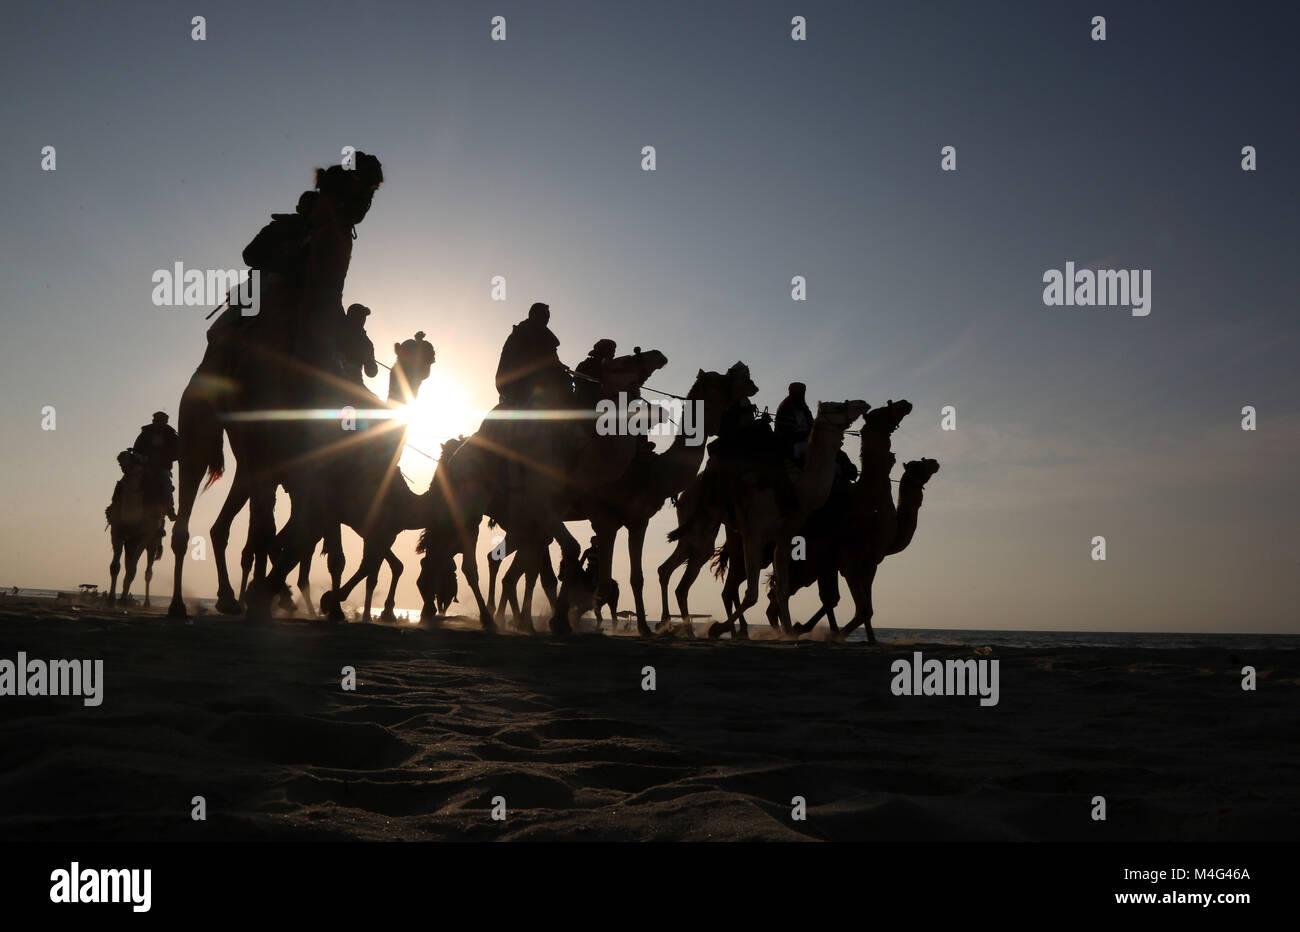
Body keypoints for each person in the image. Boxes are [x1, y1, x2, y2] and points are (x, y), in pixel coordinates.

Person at [494, 302, 568, 407]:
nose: (546, 319)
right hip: (517, 380)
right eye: (544, 315)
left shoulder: (545, 338)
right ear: (533, 314)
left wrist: (560, 366)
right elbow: (537, 357)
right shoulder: (523, 332)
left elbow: (551, 358)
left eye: (547, 317)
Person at [130, 412, 180, 520]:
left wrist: (167, 457)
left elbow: (179, 451)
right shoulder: (145, 434)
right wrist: (139, 457)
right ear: (154, 421)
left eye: (161, 421)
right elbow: (136, 449)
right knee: (129, 483)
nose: (158, 423)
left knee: (166, 483)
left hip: (162, 468)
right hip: (144, 467)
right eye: (157, 420)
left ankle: (169, 509)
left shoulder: (171, 435)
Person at [338, 303, 379, 385]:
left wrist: (370, 363)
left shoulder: (367, 343)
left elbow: (371, 373)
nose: (363, 319)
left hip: (354, 379)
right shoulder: (339, 325)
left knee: (371, 398)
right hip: (333, 371)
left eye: (363, 317)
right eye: (361, 316)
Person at [775, 382, 813, 464]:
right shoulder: (785, 408)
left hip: (807, 440)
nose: (801, 395)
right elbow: (785, 432)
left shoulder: (805, 409)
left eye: (802, 393)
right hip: (790, 444)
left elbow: (812, 426)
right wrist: (805, 435)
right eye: (798, 392)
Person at [573, 339, 616, 408]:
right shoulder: (586, 364)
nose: (613, 354)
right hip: (588, 403)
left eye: (613, 351)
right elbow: (578, 381)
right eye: (611, 350)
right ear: (602, 350)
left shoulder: (611, 366)